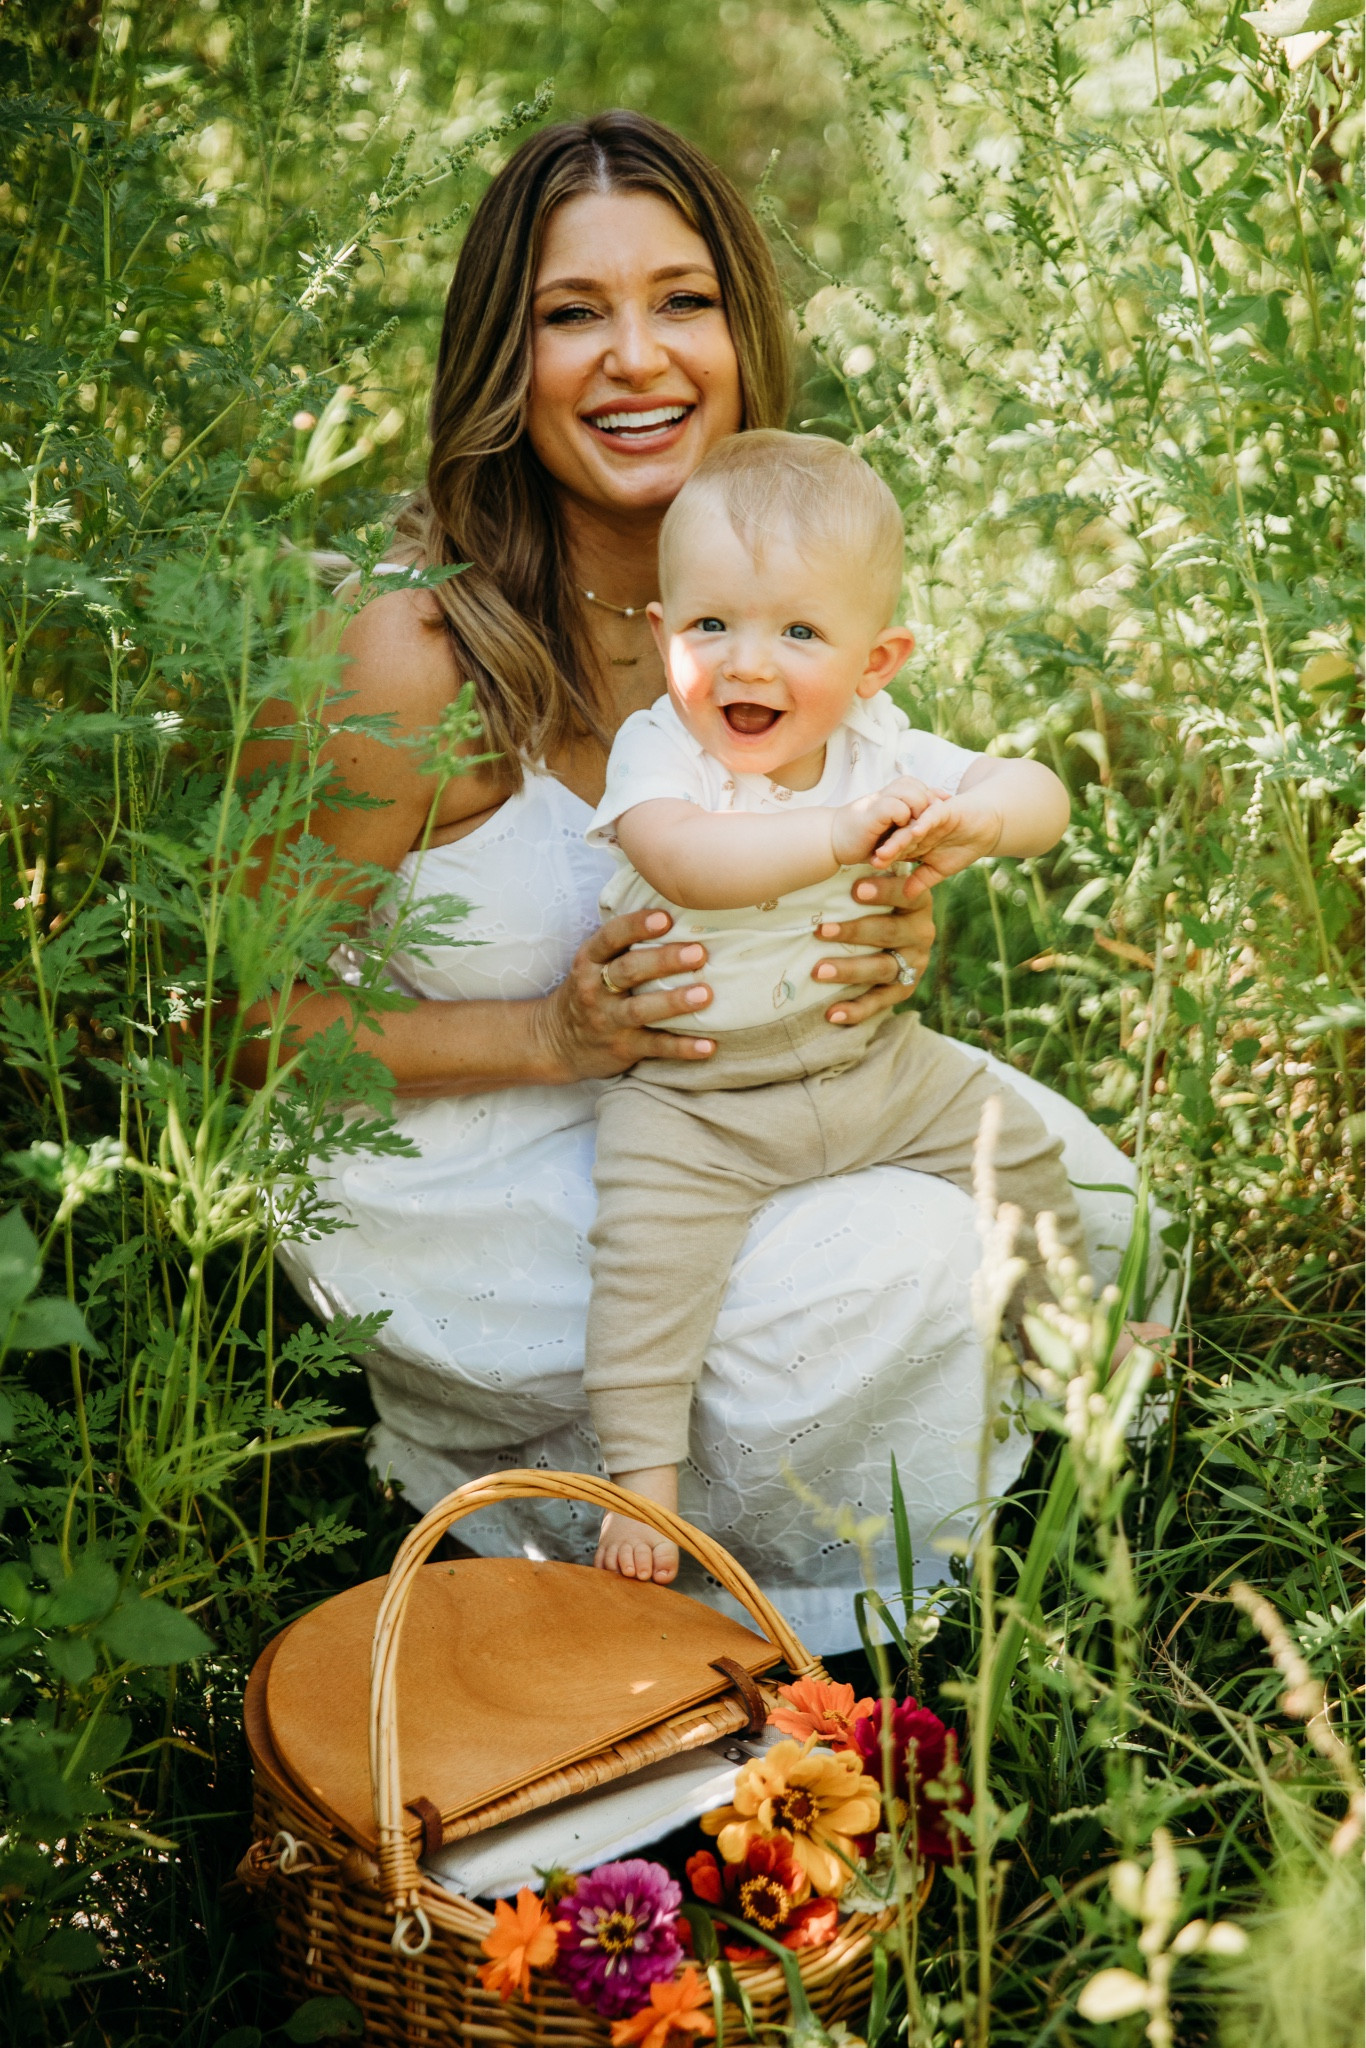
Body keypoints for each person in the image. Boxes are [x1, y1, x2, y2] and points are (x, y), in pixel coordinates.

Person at [244, 111, 1165, 1652]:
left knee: (1082, 1188)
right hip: (494, 1151)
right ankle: (752, 1608)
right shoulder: (412, 656)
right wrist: (548, 1035)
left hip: (753, 1095)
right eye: (568, 313)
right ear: (499, 357)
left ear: (741, 335)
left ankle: (951, 1605)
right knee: (905, 1273)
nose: (635, 357)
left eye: (680, 300)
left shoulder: (781, 608)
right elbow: (245, 1028)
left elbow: (875, 821)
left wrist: (882, 918)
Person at [584, 431, 1088, 1585]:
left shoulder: (880, 743)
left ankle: (1066, 1338)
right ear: (662, 636)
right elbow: (686, 861)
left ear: (877, 660)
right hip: (697, 1094)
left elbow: (1040, 793)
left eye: (800, 632)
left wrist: (982, 818)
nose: (747, 663)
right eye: (711, 625)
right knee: (646, 1263)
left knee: (1007, 1133)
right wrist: (829, 836)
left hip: (867, 1065)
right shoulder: (661, 753)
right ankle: (642, 1480)